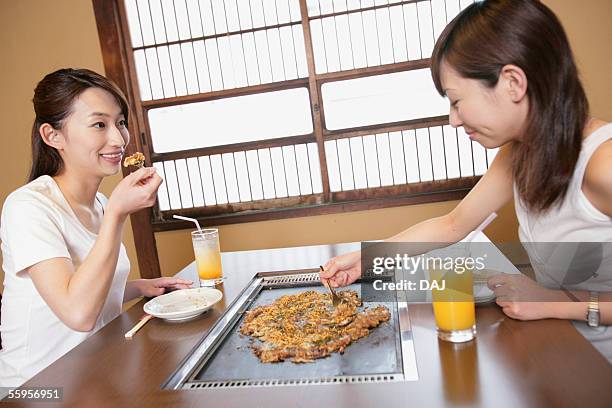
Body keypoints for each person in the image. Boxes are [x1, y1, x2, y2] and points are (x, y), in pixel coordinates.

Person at [320, 0, 612, 361]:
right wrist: (369, 259)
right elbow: (453, 225)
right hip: (562, 350)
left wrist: (559, 303)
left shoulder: (603, 164)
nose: (454, 120)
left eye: (457, 101)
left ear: (512, 82)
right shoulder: (519, 153)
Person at [0, 68, 193, 387]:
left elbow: (85, 283)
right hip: (37, 388)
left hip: (96, 374)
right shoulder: (28, 207)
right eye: (99, 124)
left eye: (120, 122)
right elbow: (78, 314)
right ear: (53, 136)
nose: (118, 139)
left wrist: (138, 286)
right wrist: (117, 214)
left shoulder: (101, 202)